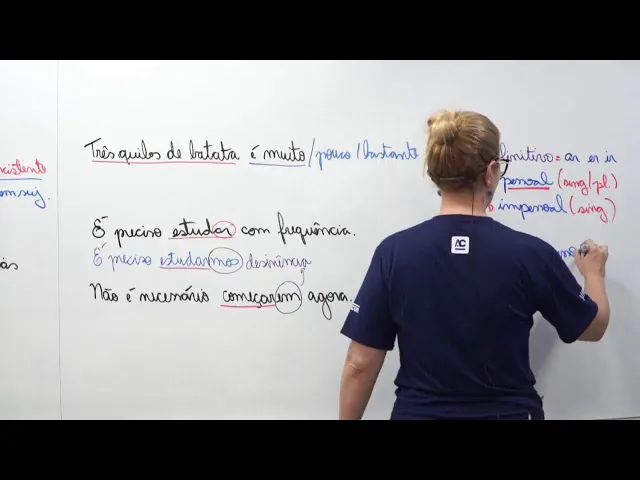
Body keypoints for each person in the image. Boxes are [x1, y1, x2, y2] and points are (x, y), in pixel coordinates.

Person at [338, 109, 610, 420]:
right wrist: (594, 274)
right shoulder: (530, 253)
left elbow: (359, 365)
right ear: (490, 172)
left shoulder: (394, 252)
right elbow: (593, 327)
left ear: (435, 173)